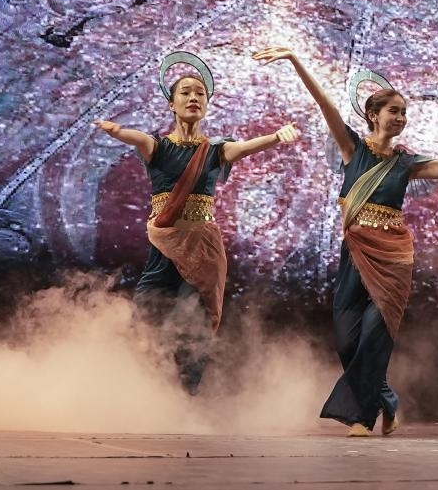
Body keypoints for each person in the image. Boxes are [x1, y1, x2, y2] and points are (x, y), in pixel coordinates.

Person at [252, 46, 438, 436]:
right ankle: (387, 400)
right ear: (373, 115)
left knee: (374, 334)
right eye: (395, 111)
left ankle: (361, 417)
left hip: (393, 259)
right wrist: (294, 59)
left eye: (405, 113)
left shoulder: (407, 164)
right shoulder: (351, 149)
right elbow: (323, 103)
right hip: (355, 254)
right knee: (345, 340)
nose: (401, 118)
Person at [94, 53, 300, 394]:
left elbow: (244, 148)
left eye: (200, 93)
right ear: (172, 103)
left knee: (194, 319)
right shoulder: (158, 147)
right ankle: (144, 388)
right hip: (166, 248)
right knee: (146, 314)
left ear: (206, 104)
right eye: (186, 92)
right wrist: (117, 131)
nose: (193, 98)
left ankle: (184, 392)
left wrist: (276, 137)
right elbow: (138, 138)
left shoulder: (215, 150)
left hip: (203, 248)